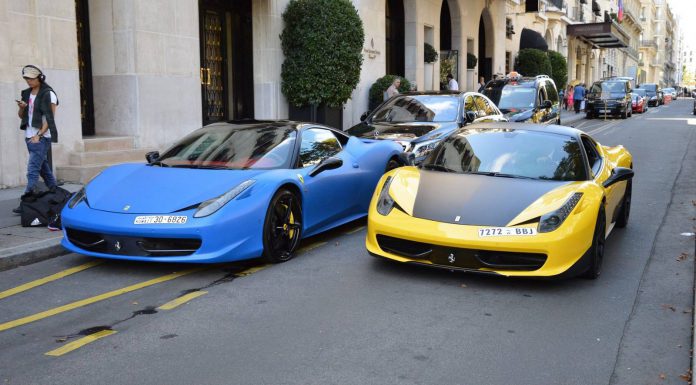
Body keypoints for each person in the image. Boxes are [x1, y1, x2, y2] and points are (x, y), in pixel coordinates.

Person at [13, 65, 59, 214]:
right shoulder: (26, 93)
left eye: (31, 78)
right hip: (28, 136)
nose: (28, 81)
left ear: (40, 78)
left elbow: (50, 119)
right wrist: (22, 107)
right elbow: (22, 116)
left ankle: (26, 201)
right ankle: (57, 195)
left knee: (32, 170)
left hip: (41, 138)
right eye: (26, 78)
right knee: (44, 170)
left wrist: (38, 135)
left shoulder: (48, 94)